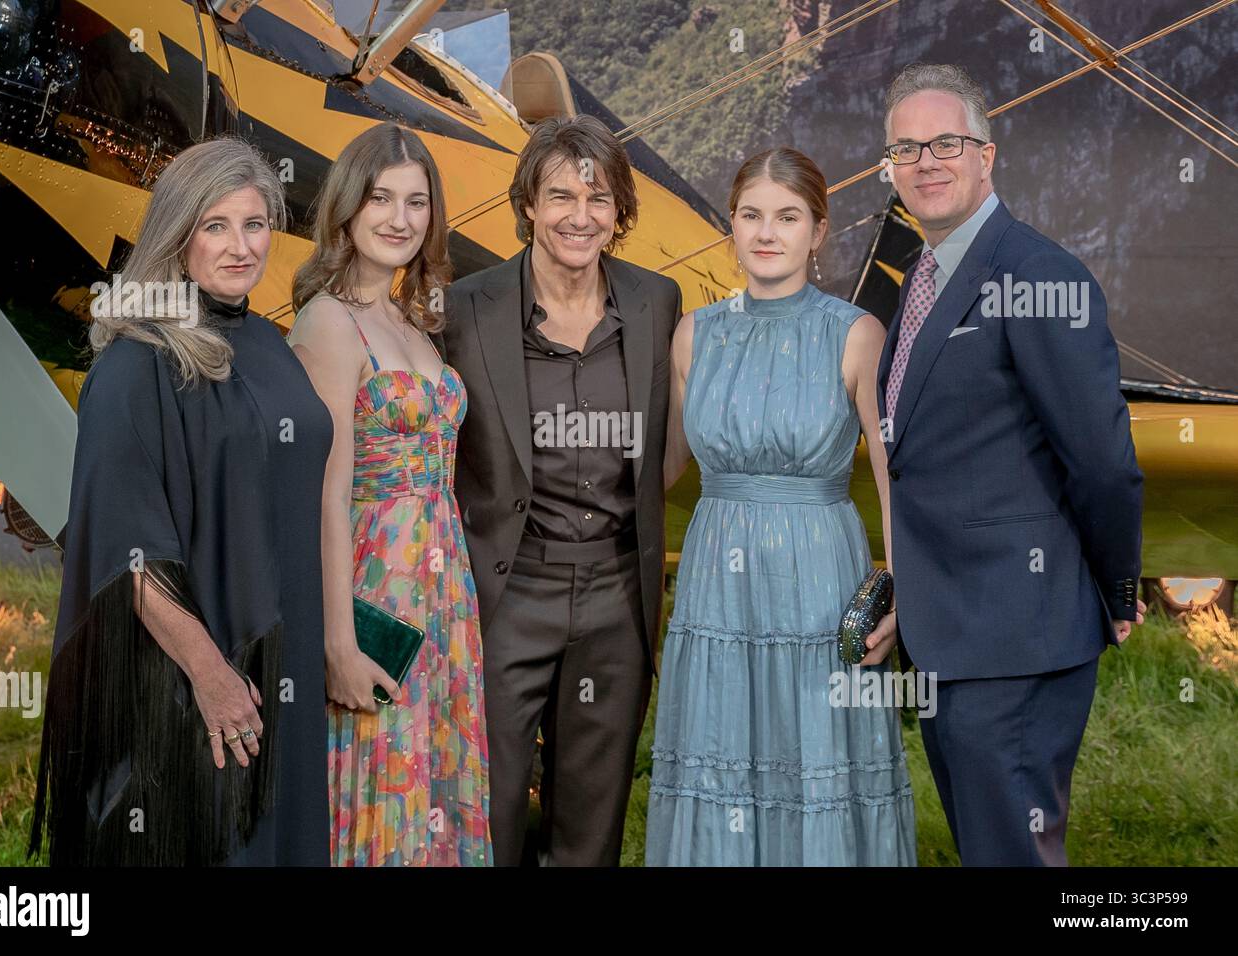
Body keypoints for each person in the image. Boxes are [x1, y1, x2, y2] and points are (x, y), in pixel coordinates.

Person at [30, 137, 333, 865]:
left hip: (285, 663)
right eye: (215, 226)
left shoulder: (268, 342)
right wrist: (212, 675)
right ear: (178, 234)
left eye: (255, 224)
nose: (240, 247)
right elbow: (122, 549)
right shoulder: (137, 360)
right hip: (200, 675)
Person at [877, 63, 1145, 865]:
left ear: (987, 154)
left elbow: (1102, 460)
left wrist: (1117, 587)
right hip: (954, 633)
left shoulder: (1038, 275)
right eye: (906, 147)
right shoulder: (924, 276)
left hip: (1016, 636)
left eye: (946, 142)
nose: (926, 161)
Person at [647, 147, 917, 866]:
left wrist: (904, 597)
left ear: (818, 231)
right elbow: (665, 465)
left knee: (815, 748)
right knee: (722, 746)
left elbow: (895, 479)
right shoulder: (694, 334)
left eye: (788, 217)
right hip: (716, 584)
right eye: (751, 215)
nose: (768, 233)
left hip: (819, 578)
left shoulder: (857, 333)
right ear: (731, 226)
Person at [440, 115, 681, 866]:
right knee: (491, 802)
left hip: (616, 593)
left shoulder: (656, 303)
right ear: (529, 206)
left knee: (591, 818)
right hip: (508, 588)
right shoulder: (465, 310)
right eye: (561, 196)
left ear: (619, 215)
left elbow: (664, 453)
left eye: (599, 198)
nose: (581, 216)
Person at [289, 123, 491, 866]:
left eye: (416, 202)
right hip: (376, 593)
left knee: (435, 784)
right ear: (347, 205)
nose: (400, 219)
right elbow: (323, 491)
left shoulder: (411, 321)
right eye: (381, 198)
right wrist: (339, 644)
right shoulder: (329, 322)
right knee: (382, 783)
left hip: (444, 595)